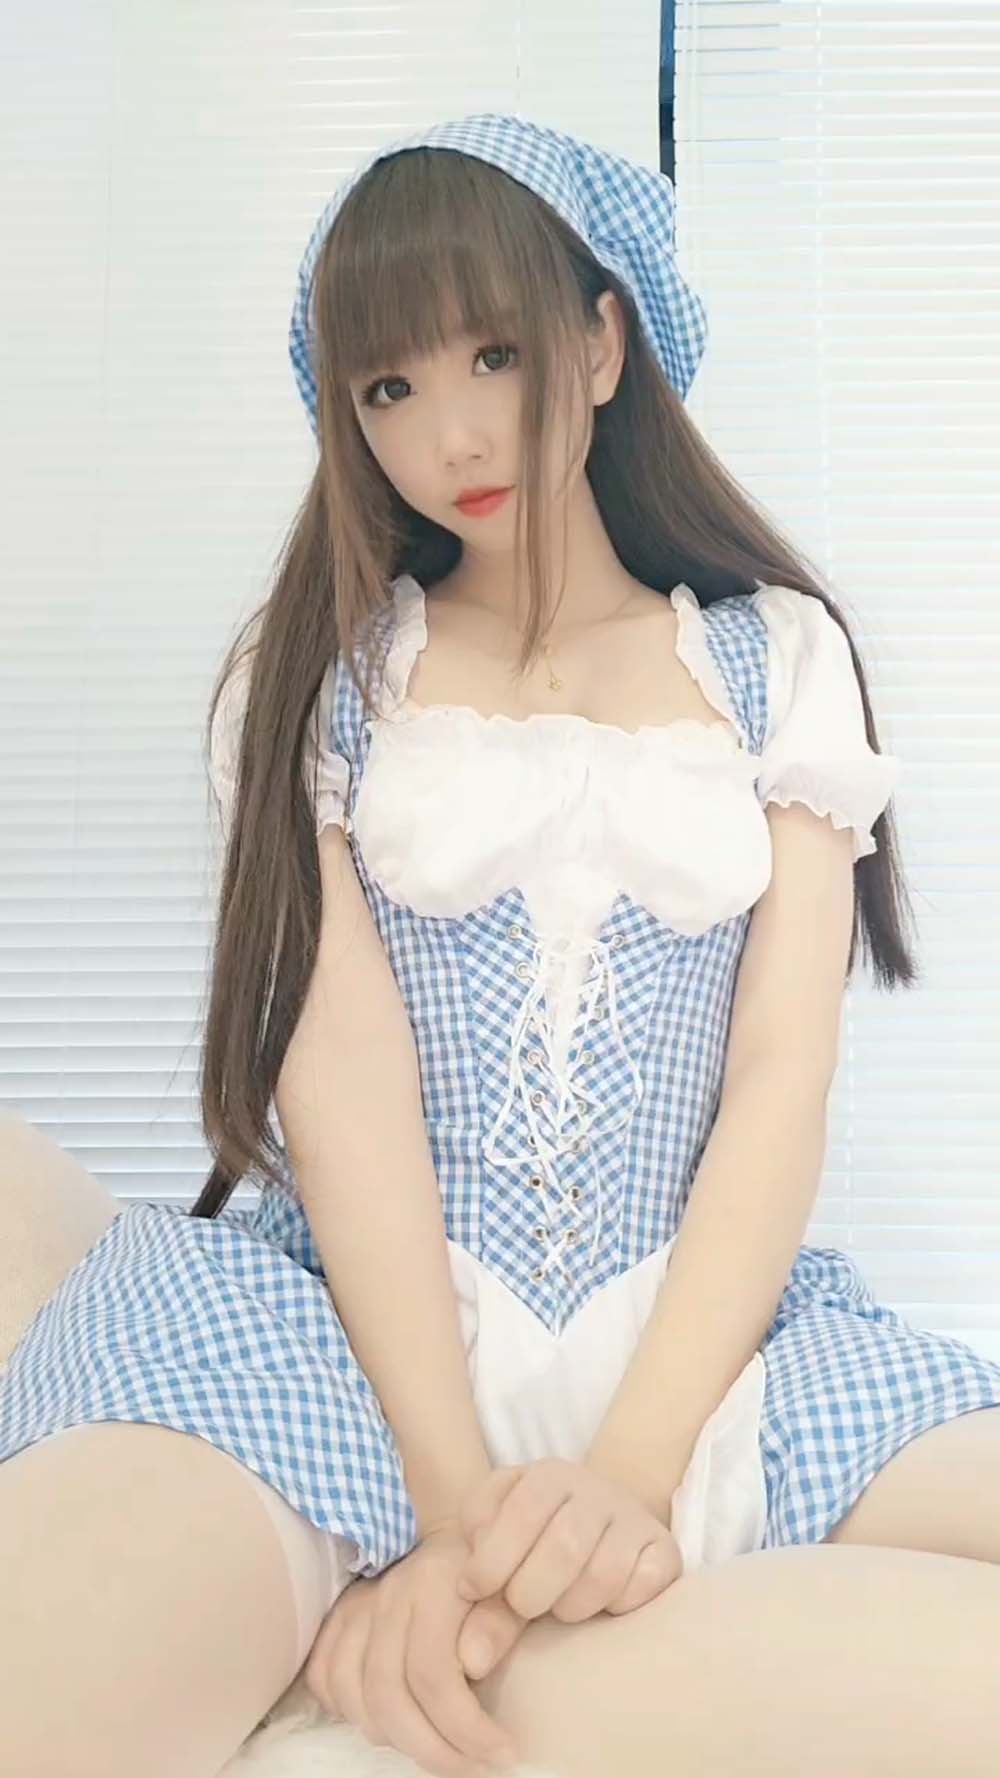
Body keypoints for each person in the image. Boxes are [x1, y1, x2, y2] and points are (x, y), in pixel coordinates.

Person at [3, 110, 1000, 1778]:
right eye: (388, 386)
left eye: (493, 354)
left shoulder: (776, 663)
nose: (447, 429)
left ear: (601, 344)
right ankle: (387, 1608)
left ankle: (469, 1658)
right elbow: (344, 1090)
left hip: (705, 1353)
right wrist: (460, 1511)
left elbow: (781, 1082)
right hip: (355, 1347)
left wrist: (628, 1478)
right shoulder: (325, 677)